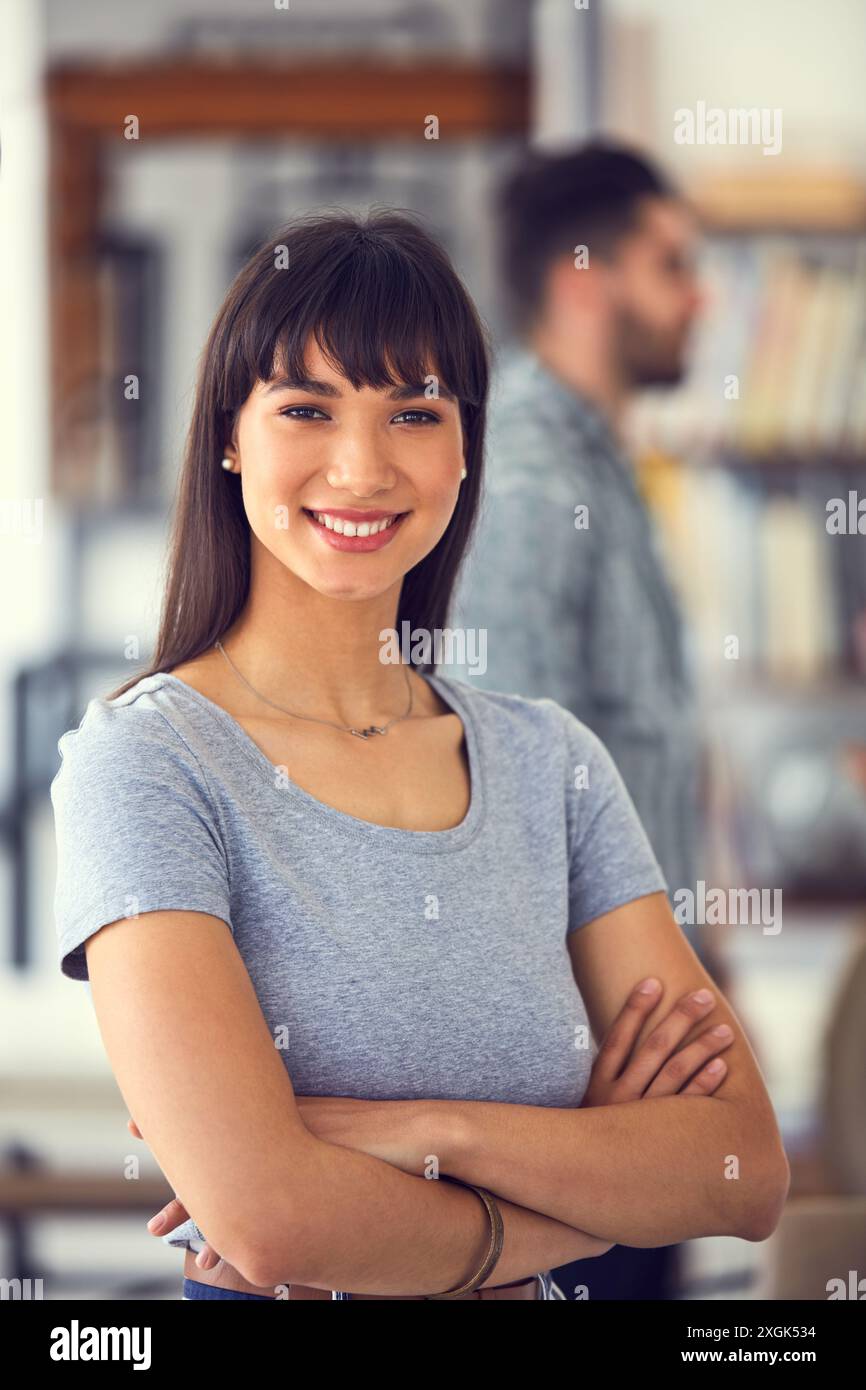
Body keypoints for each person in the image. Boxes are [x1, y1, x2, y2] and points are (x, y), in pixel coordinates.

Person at [50, 209, 787, 1303]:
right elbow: (273, 1224)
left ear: (463, 448)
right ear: (228, 435)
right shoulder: (148, 761)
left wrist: (423, 1132)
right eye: (306, 408)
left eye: (414, 411)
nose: (360, 465)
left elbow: (739, 1171)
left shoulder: (551, 762)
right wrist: (579, 1202)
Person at [443, 141, 715, 1298]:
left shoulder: (603, 471)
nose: (698, 295)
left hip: (642, 1047)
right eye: (672, 264)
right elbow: (508, 798)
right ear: (582, 280)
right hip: (588, 1079)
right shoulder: (526, 481)